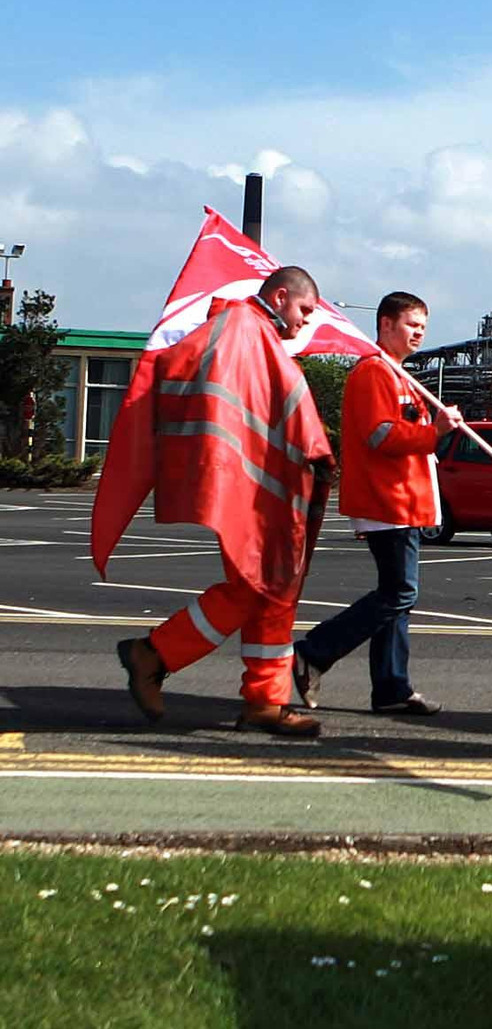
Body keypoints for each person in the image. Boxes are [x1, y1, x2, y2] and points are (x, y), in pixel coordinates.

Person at [109, 265, 335, 738]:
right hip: (253, 493)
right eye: (304, 310)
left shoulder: (257, 337)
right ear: (278, 297)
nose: (306, 323)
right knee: (257, 588)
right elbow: (191, 368)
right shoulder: (239, 328)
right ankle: (154, 653)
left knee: (273, 592)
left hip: (266, 490)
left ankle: (264, 701)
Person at [291, 290, 461, 717]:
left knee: (397, 596)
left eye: (423, 326)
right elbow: (379, 435)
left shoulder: (401, 375)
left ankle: (390, 687)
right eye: (410, 324)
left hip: (406, 501)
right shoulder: (374, 373)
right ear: (385, 325)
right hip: (389, 501)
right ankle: (314, 651)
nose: (419, 332)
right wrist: (434, 431)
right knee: (399, 592)